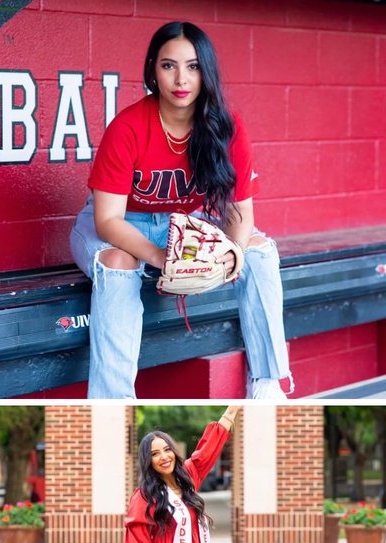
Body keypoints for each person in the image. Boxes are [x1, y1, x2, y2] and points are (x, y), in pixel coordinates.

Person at [69, 22, 291, 400]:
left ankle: (267, 384)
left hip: (182, 226)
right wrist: (160, 257)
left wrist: (231, 254)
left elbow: (239, 211)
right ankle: (112, 403)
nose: (181, 79)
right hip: (118, 226)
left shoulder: (226, 125)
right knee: (119, 263)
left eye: (192, 66)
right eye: (169, 66)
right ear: (153, 70)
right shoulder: (128, 127)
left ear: (206, 71)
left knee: (259, 251)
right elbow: (108, 221)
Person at [125, 406, 239, 543]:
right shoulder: (144, 495)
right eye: (155, 454)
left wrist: (231, 411)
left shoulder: (188, 477)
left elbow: (208, 450)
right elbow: (137, 539)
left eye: (167, 449)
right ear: (147, 461)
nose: (164, 457)